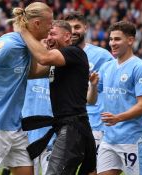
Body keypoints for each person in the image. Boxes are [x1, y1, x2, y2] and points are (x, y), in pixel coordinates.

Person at [0, 2, 53, 175]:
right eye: (49, 23)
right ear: (37, 23)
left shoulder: (30, 47)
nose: (51, 28)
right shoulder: (9, 43)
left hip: (15, 127)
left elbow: (31, 73)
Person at [18, 20, 98, 175]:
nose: (49, 38)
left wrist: (24, 31)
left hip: (73, 128)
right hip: (69, 127)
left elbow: (43, 58)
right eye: (47, 34)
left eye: (52, 33)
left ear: (67, 36)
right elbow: (31, 72)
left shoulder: (73, 52)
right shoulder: (58, 63)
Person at [94, 21, 142, 175]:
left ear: (130, 40)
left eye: (117, 39)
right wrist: (93, 85)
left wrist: (118, 118)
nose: (112, 43)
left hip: (132, 138)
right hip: (109, 138)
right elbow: (91, 100)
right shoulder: (106, 67)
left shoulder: (140, 67)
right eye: (111, 39)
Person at [64, 11, 114, 153]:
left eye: (77, 27)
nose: (73, 31)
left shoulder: (102, 56)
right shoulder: (57, 54)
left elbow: (111, 85)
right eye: (69, 28)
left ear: (85, 28)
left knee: (92, 169)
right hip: (66, 122)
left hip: (94, 123)